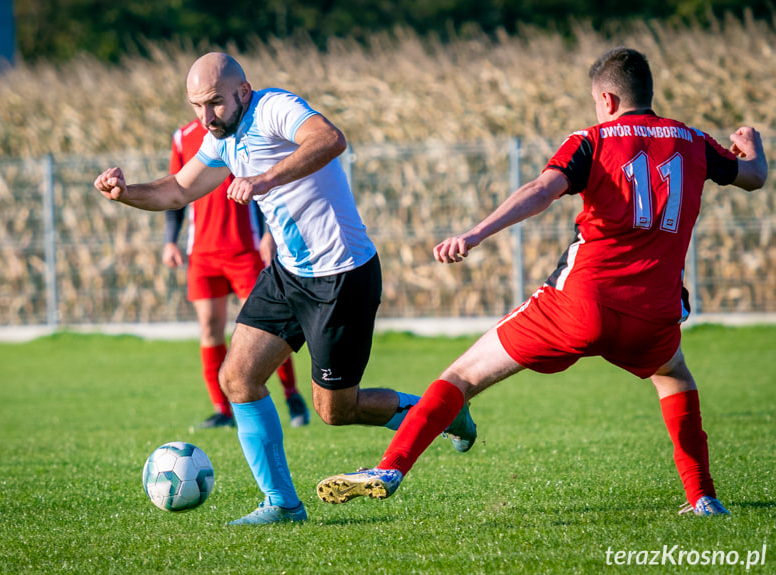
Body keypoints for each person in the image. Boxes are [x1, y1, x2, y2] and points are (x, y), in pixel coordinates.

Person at [316, 47, 768, 517]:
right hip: (653, 313)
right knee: (674, 377)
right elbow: (754, 176)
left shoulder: (592, 139)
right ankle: (703, 498)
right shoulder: (693, 141)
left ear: (608, 99)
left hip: (581, 303)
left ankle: (390, 468)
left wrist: (475, 233)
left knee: (461, 376)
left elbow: (540, 191)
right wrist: (749, 143)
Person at [94, 52, 476, 525]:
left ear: (243, 91)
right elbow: (176, 190)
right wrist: (124, 192)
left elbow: (329, 138)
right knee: (237, 377)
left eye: (214, 102)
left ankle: (442, 414)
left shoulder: (273, 107)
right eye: (196, 106)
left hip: (341, 277)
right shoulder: (221, 140)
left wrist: (263, 180)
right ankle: (281, 504)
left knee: (336, 410)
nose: (206, 117)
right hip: (289, 275)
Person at [163, 117, 309, 430]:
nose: (207, 109)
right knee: (209, 327)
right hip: (202, 253)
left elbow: (267, 183)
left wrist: (270, 232)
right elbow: (175, 190)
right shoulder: (182, 137)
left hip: (245, 250)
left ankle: (292, 396)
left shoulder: (241, 131)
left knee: (262, 329)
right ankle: (222, 410)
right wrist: (169, 242)